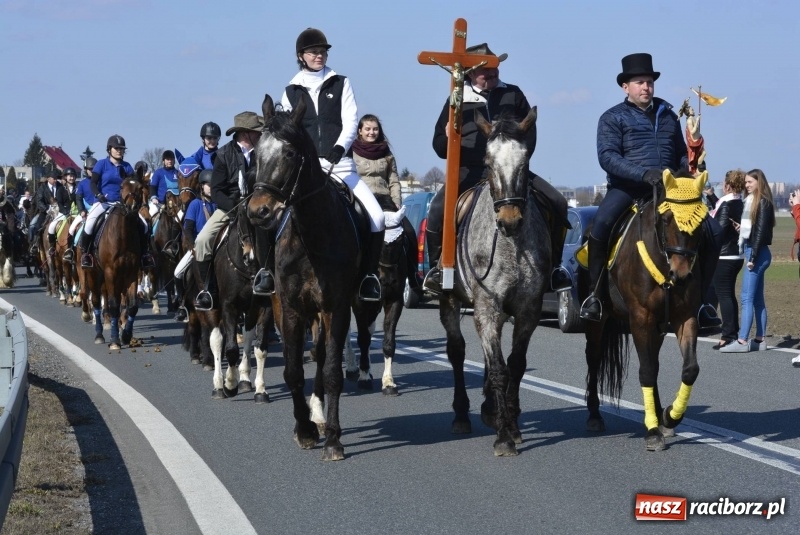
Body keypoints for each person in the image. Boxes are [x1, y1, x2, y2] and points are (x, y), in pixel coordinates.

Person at [580, 52, 722, 325]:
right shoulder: (611, 118)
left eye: (649, 82)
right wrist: (644, 174)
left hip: (671, 192)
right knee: (600, 227)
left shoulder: (668, 115)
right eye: (640, 83)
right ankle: (595, 297)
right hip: (628, 189)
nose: (646, 87)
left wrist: (693, 167)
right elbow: (608, 157)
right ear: (626, 87)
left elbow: (680, 153)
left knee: (712, 231)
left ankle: (703, 299)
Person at [423, 42, 572, 295]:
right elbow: (439, 147)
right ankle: (439, 269)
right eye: (486, 71)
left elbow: (529, 130)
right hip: (469, 171)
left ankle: (553, 268)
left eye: (495, 70)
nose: (493, 75)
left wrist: (517, 162)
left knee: (557, 202)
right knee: (438, 209)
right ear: (471, 74)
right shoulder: (456, 100)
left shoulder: (513, 94)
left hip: (510, 171)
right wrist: (447, 138)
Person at [275, 27, 385, 301]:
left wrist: (339, 147)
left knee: (378, 217)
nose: (319, 56)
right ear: (301, 56)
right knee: (273, 219)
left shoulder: (341, 83)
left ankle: (368, 277)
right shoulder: (290, 91)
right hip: (305, 172)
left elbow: (351, 120)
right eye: (314, 52)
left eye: (323, 51)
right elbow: (290, 133)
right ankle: (267, 274)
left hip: (341, 167)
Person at [193, 112, 263, 311]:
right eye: (256, 132)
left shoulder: (263, 152)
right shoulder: (223, 154)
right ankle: (208, 290)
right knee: (202, 240)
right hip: (230, 207)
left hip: (258, 206)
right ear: (245, 134)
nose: (260, 136)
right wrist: (231, 205)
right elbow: (216, 190)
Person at [350, 114, 421, 290]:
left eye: (375, 129)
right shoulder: (351, 151)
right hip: (361, 198)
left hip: (385, 198)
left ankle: (413, 276)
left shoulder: (386, 153)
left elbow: (393, 180)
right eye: (367, 129)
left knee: (408, 230)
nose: (371, 132)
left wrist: (396, 201)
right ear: (360, 131)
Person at [78, 135, 154, 269]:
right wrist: (98, 195)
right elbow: (93, 183)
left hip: (123, 205)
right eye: (116, 148)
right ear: (109, 149)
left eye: (121, 148)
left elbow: (134, 185)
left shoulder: (127, 167)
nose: (119, 151)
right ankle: (86, 254)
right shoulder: (101, 164)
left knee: (144, 225)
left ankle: (144, 255)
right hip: (103, 202)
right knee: (89, 223)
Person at [721, 169, 775, 353]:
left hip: (757, 253)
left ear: (759, 182)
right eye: (746, 182)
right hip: (757, 250)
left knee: (746, 298)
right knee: (758, 299)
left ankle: (742, 341)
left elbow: (760, 233)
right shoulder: (754, 202)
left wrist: (752, 257)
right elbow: (756, 230)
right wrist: (741, 229)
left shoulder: (762, 203)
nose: (746, 185)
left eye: (750, 182)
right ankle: (759, 340)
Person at [174, 168, 216, 322]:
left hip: (217, 246)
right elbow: (189, 229)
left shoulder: (217, 204)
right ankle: (182, 304)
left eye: (213, 184)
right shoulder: (195, 205)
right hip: (198, 247)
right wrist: (192, 246)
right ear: (201, 186)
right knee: (178, 273)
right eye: (208, 184)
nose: (210, 187)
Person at [710, 169, 745, 349]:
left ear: (727, 185)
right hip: (736, 255)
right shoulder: (739, 202)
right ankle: (733, 331)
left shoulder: (726, 204)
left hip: (724, 255)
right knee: (729, 294)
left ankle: (728, 335)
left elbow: (719, 229)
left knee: (724, 295)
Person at [46, 167, 76, 256]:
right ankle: (52, 247)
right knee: (51, 226)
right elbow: (59, 203)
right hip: (63, 212)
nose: (72, 178)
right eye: (70, 176)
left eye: (73, 176)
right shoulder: (61, 189)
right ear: (65, 177)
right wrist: (65, 212)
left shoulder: (78, 188)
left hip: (76, 213)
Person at [28, 171, 59, 254]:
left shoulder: (60, 186)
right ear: (48, 179)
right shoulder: (42, 189)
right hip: (45, 212)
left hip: (59, 211)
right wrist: (46, 209)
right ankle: (35, 244)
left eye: (56, 178)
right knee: (35, 226)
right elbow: (39, 201)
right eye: (54, 178)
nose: (55, 180)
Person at [148, 150, 179, 216]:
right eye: (167, 159)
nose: (170, 161)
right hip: (160, 204)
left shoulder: (178, 173)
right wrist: (154, 198)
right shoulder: (158, 173)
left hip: (177, 204)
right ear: (163, 161)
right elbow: (153, 186)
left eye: (171, 159)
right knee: (150, 214)